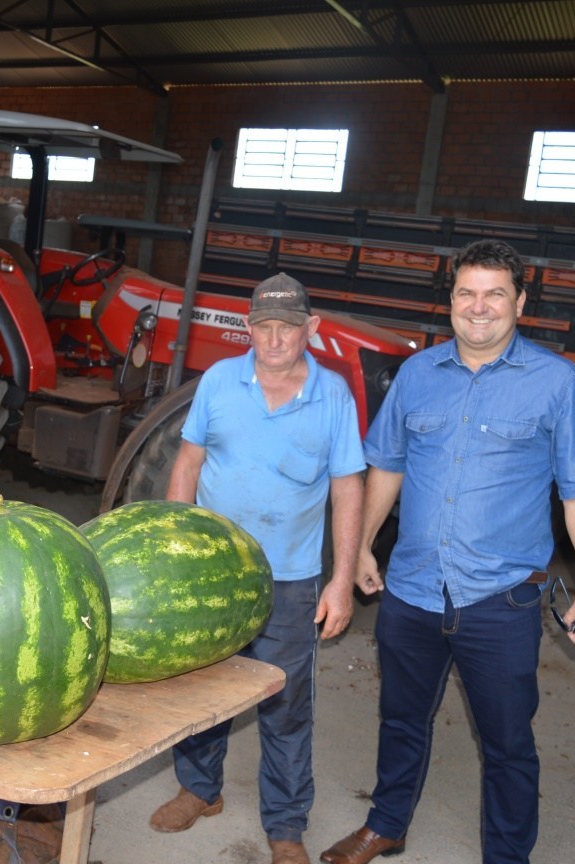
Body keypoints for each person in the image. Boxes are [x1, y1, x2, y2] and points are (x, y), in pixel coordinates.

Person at [319, 240, 575, 864]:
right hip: (413, 590)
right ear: (450, 299)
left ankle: (506, 857)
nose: (478, 307)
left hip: (500, 601)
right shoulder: (417, 374)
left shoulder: (556, 383)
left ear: (520, 303)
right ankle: (387, 823)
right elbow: (388, 467)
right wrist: (363, 549)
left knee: (507, 743)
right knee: (401, 720)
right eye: (466, 293)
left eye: (494, 294)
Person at [150, 272, 366, 864]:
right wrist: (173, 551)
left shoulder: (334, 397)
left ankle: (286, 826)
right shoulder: (220, 381)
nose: (274, 340)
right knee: (203, 690)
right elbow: (187, 463)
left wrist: (341, 580)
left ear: (311, 330)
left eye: (288, 328)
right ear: (248, 328)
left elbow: (349, 489)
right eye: (264, 327)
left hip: (291, 581)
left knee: (285, 703)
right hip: (216, 575)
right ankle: (199, 790)